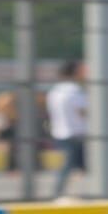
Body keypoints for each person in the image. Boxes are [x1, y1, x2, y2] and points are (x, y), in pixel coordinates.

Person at [46, 60, 87, 199]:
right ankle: (59, 193)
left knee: (68, 166)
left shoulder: (55, 91)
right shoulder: (75, 90)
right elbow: (83, 111)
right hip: (77, 132)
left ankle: (61, 192)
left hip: (60, 132)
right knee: (72, 167)